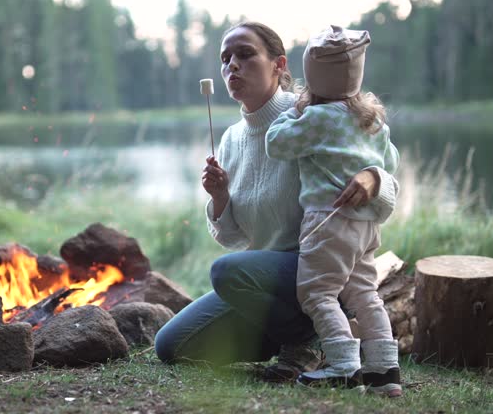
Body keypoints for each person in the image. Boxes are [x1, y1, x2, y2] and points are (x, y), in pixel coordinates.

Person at [154, 22, 400, 383]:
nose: (232, 66)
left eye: (245, 54)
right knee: (170, 345)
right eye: (225, 59)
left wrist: (373, 178)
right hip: (266, 282)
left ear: (279, 64)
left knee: (226, 271)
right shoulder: (231, 140)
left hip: (320, 267)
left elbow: (388, 167)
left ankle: (309, 341)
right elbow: (235, 239)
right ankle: (296, 335)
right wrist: (220, 199)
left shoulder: (314, 115)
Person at [264, 25, 401, 396]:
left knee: (318, 293)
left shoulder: (316, 119)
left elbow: (276, 143)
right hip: (366, 225)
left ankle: (342, 364)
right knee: (363, 294)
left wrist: (292, 111)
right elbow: (392, 161)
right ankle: (384, 371)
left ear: (313, 76)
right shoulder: (372, 121)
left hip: (327, 221)